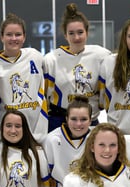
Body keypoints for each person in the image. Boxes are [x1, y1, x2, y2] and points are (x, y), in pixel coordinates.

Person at [43, 3, 111, 131]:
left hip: (90, 121)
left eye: (80, 32)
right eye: (71, 33)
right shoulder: (51, 59)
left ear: (87, 32)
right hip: (59, 122)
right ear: (65, 35)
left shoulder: (101, 55)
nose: (76, 37)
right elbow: (45, 97)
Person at [0, 13, 48, 143]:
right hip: (7, 132)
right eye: (9, 34)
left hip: (36, 133)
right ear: (1, 37)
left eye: (18, 34)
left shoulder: (35, 55)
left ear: (24, 37)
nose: (13, 38)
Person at [42, 95, 93, 187]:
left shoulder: (97, 138)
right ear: (66, 118)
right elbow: (46, 177)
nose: (78, 124)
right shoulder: (52, 139)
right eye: (74, 119)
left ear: (91, 119)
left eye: (83, 119)